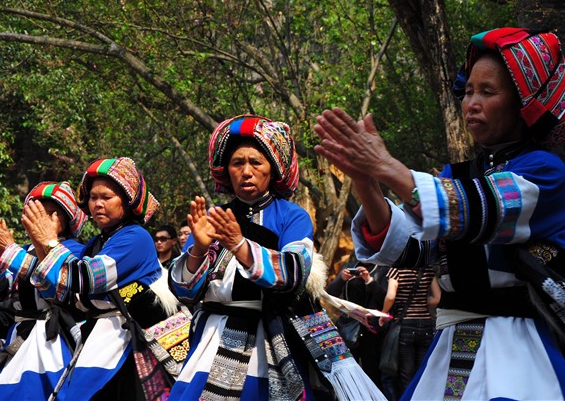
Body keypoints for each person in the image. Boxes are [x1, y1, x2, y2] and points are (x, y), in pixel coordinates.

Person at [314, 28, 565, 400]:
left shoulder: (544, 171)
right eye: (468, 92)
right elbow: (414, 249)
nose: (471, 103)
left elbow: (475, 209)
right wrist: (366, 181)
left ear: (523, 103)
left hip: (518, 344)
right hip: (452, 343)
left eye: (487, 92)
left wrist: (386, 166)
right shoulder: (457, 176)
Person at [168, 114, 385, 400]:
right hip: (211, 337)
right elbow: (183, 291)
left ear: (273, 169)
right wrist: (197, 248)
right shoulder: (213, 218)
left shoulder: (291, 216)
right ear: (226, 171)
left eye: (256, 162)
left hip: (268, 337)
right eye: (237, 163)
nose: (246, 171)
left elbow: (294, 273)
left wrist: (237, 244)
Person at [10, 158, 177, 400]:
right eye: (93, 197)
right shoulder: (97, 244)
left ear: (128, 200)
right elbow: (63, 294)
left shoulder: (136, 237)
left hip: (130, 342)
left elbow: (84, 278)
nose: (97, 204)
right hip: (97, 338)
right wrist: (40, 242)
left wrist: (44, 242)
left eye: (106, 197)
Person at [0, 182, 88, 399]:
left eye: (52, 213)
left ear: (67, 220)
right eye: (37, 211)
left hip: (54, 339)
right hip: (18, 335)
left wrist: (10, 252)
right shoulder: (22, 251)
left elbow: (54, 284)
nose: (42, 218)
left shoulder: (74, 250)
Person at [326, 260, 389, 395]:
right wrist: (342, 280)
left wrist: (369, 281)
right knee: (348, 373)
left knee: (372, 373)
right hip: (348, 328)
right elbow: (330, 294)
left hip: (371, 330)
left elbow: (385, 299)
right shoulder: (351, 265)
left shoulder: (383, 267)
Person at [380, 267, 440, 396]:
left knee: (406, 375)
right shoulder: (428, 270)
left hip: (406, 325)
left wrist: (383, 313)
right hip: (426, 325)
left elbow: (391, 296)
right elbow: (437, 297)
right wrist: (421, 302)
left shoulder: (397, 270)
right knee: (422, 372)